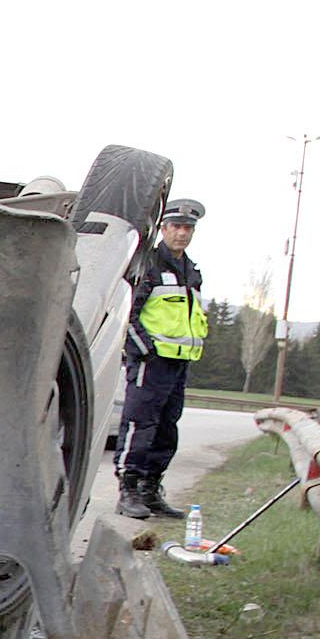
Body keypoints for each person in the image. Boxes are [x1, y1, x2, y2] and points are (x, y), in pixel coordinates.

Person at [116, 198, 208, 520]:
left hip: (179, 363)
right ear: (164, 229)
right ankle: (127, 490)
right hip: (150, 362)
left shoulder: (191, 272)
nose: (182, 233)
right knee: (140, 423)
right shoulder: (148, 265)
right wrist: (145, 350)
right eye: (176, 227)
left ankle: (150, 490)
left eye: (188, 228)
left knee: (167, 430)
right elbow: (127, 312)